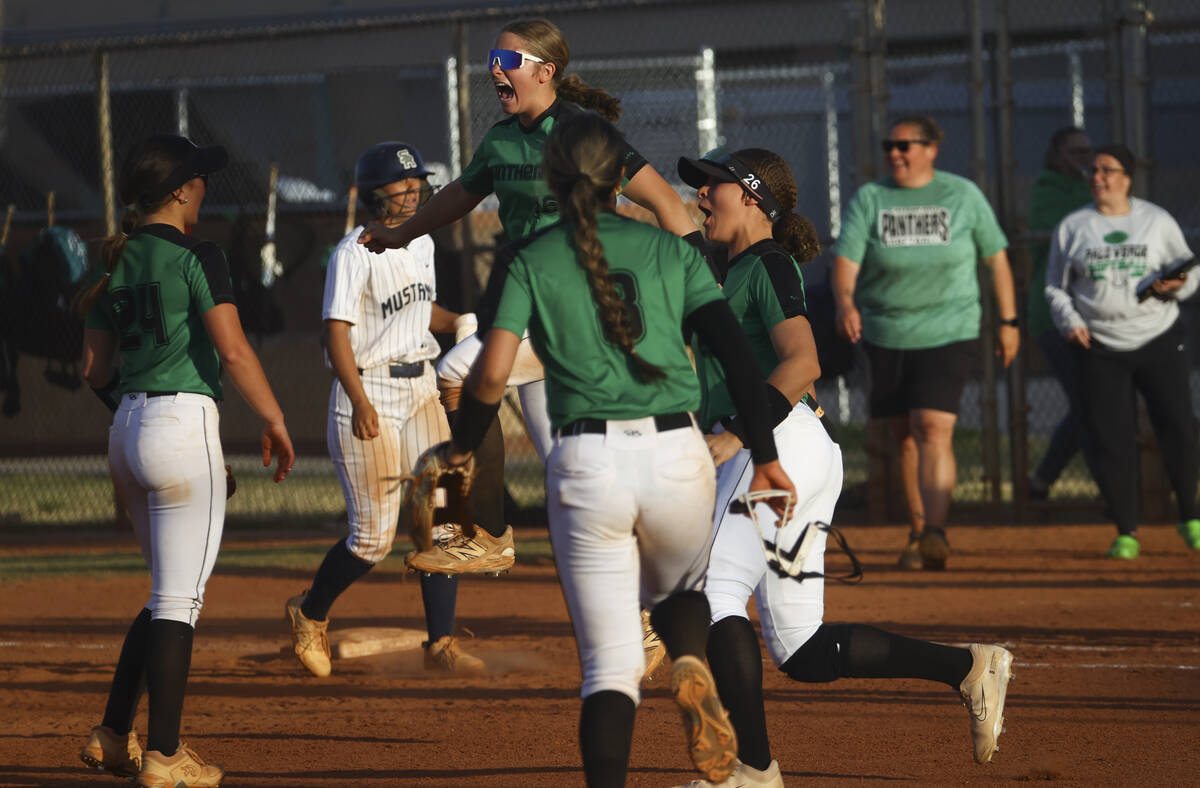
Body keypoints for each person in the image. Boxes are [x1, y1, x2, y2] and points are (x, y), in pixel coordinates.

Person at [442, 112, 792, 787]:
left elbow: (488, 375)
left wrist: (463, 450)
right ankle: (690, 660)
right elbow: (740, 362)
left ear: (551, 177)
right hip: (677, 452)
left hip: (587, 464)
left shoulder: (528, 255)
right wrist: (767, 454)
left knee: (609, 668)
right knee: (682, 592)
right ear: (619, 178)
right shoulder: (677, 251)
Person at [673, 147, 1014, 787]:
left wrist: (736, 437)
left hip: (771, 446)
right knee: (801, 648)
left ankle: (751, 770)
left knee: (710, 592)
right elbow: (667, 217)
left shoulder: (767, 264)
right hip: (796, 447)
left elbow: (802, 363)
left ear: (750, 196)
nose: (700, 198)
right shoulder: (737, 265)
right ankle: (967, 667)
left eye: (712, 187)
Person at [358, 17, 702, 585]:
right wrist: (400, 233)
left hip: (574, 308)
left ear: (547, 72)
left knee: (460, 374)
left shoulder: (585, 136)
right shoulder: (499, 139)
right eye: (493, 57)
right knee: (567, 471)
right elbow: (458, 199)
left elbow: (667, 202)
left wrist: (704, 281)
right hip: (527, 308)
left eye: (509, 60)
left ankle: (488, 534)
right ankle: (649, 613)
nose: (495, 67)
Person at [76, 135, 295, 787]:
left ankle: (115, 736)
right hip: (180, 422)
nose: (204, 188)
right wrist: (275, 419)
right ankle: (166, 758)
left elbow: (94, 370)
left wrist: (140, 417)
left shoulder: (116, 261)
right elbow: (232, 351)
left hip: (128, 428)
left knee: (164, 592)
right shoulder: (198, 254)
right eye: (198, 179)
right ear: (177, 190)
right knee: (179, 598)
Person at [285, 142, 498, 679]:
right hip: (370, 390)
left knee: (443, 515)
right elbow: (336, 335)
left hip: (421, 385)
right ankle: (309, 613)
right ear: (371, 193)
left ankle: (441, 643)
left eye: (415, 183)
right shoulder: (354, 251)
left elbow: (420, 309)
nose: (410, 191)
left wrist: (462, 323)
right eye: (399, 185)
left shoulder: (422, 238)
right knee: (372, 539)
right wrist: (357, 399)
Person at [832, 114, 1019, 570]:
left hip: (948, 328)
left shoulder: (962, 194)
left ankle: (936, 531)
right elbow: (846, 262)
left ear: (932, 148)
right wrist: (845, 303)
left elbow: (996, 260)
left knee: (933, 427)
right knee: (905, 436)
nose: (895, 154)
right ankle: (918, 534)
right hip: (886, 330)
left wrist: (1009, 320)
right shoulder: (871, 198)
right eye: (889, 146)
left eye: (905, 146)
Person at [1044, 143, 1200, 559]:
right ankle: (1126, 531)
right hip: (1098, 344)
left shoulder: (1154, 220)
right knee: (1112, 439)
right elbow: (1056, 286)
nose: (1098, 178)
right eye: (1093, 171)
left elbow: (1190, 269)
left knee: (1179, 428)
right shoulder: (1074, 226)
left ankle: (1190, 517)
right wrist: (1071, 323)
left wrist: (1178, 285)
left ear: (1127, 178)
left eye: (1108, 170)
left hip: (1157, 337)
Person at [1027, 126, 1099, 501]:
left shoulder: (1093, 188)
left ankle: (1041, 482)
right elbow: (1076, 234)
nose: (1085, 160)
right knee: (1090, 402)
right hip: (1054, 313)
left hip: (1098, 315)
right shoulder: (1047, 192)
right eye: (1075, 151)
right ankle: (1111, 492)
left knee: (1093, 402)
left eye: (1089, 151)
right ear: (1056, 156)